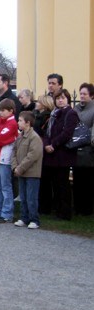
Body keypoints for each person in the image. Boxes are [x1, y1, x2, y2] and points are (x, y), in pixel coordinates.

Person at [41, 89, 79, 220]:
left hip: (63, 154)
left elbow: (67, 133)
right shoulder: (54, 114)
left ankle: (64, 212)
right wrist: (46, 144)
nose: (60, 100)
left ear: (68, 99)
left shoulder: (71, 113)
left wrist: (53, 145)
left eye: (63, 98)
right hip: (50, 154)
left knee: (62, 185)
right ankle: (56, 209)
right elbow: (47, 132)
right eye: (58, 98)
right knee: (54, 184)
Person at [12, 111, 44, 229]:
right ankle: (24, 217)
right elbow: (14, 151)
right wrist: (15, 166)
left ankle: (34, 219)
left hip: (31, 173)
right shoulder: (20, 136)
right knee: (23, 197)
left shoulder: (34, 137)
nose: (18, 122)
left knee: (31, 197)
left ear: (28, 123)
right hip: (21, 172)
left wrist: (20, 168)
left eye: (20, 120)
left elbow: (32, 156)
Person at [72, 83, 94, 216]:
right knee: (77, 180)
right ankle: (78, 207)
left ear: (91, 95)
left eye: (85, 94)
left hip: (88, 150)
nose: (82, 96)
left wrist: (85, 137)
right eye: (81, 94)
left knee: (88, 181)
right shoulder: (76, 109)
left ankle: (87, 209)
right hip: (76, 149)